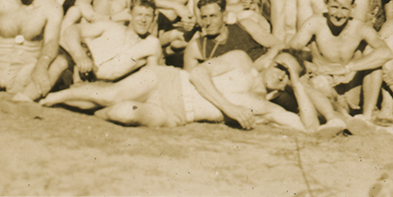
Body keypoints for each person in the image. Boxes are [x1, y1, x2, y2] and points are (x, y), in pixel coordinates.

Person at [41, 49, 315, 131]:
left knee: (125, 113)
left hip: (176, 115)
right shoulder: (241, 61)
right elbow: (198, 72)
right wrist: (230, 109)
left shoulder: (266, 108)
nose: (280, 75)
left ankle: (93, 112)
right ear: (271, 61)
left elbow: (310, 128)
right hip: (167, 81)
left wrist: (299, 83)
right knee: (112, 94)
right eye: (281, 66)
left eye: (287, 76)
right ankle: (52, 97)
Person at [288, 0, 393, 122]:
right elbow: (290, 51)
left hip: (351, 89)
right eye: (334, 7)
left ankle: (366, 118)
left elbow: (386, 53)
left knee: (375, 66)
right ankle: (340, 117)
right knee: (317, 83)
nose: (338, 14)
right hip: (324, 85)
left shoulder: (359, 28)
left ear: (352, 9)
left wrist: (346, 68)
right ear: (326, 4)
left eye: (344, 9)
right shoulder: (315, 23)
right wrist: (312, 67)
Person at [56, 0, 162, 83]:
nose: (143, 20)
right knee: (60, 64)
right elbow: (72, 30)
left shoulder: (151, 44)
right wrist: (80, 56)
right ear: (130, 14)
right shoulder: (112, 27)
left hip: (97, 84)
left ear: (154, 18)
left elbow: (150, 77)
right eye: (139, 14)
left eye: (148, 16)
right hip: (75, 62)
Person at [183, 0, 278, 70]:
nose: (208, 22)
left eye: (213, 16)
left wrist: (262, 63)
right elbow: (188, 82)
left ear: (224, 16)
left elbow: (278, 45)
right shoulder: (198, 46)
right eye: (204, 17)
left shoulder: (245, 26)